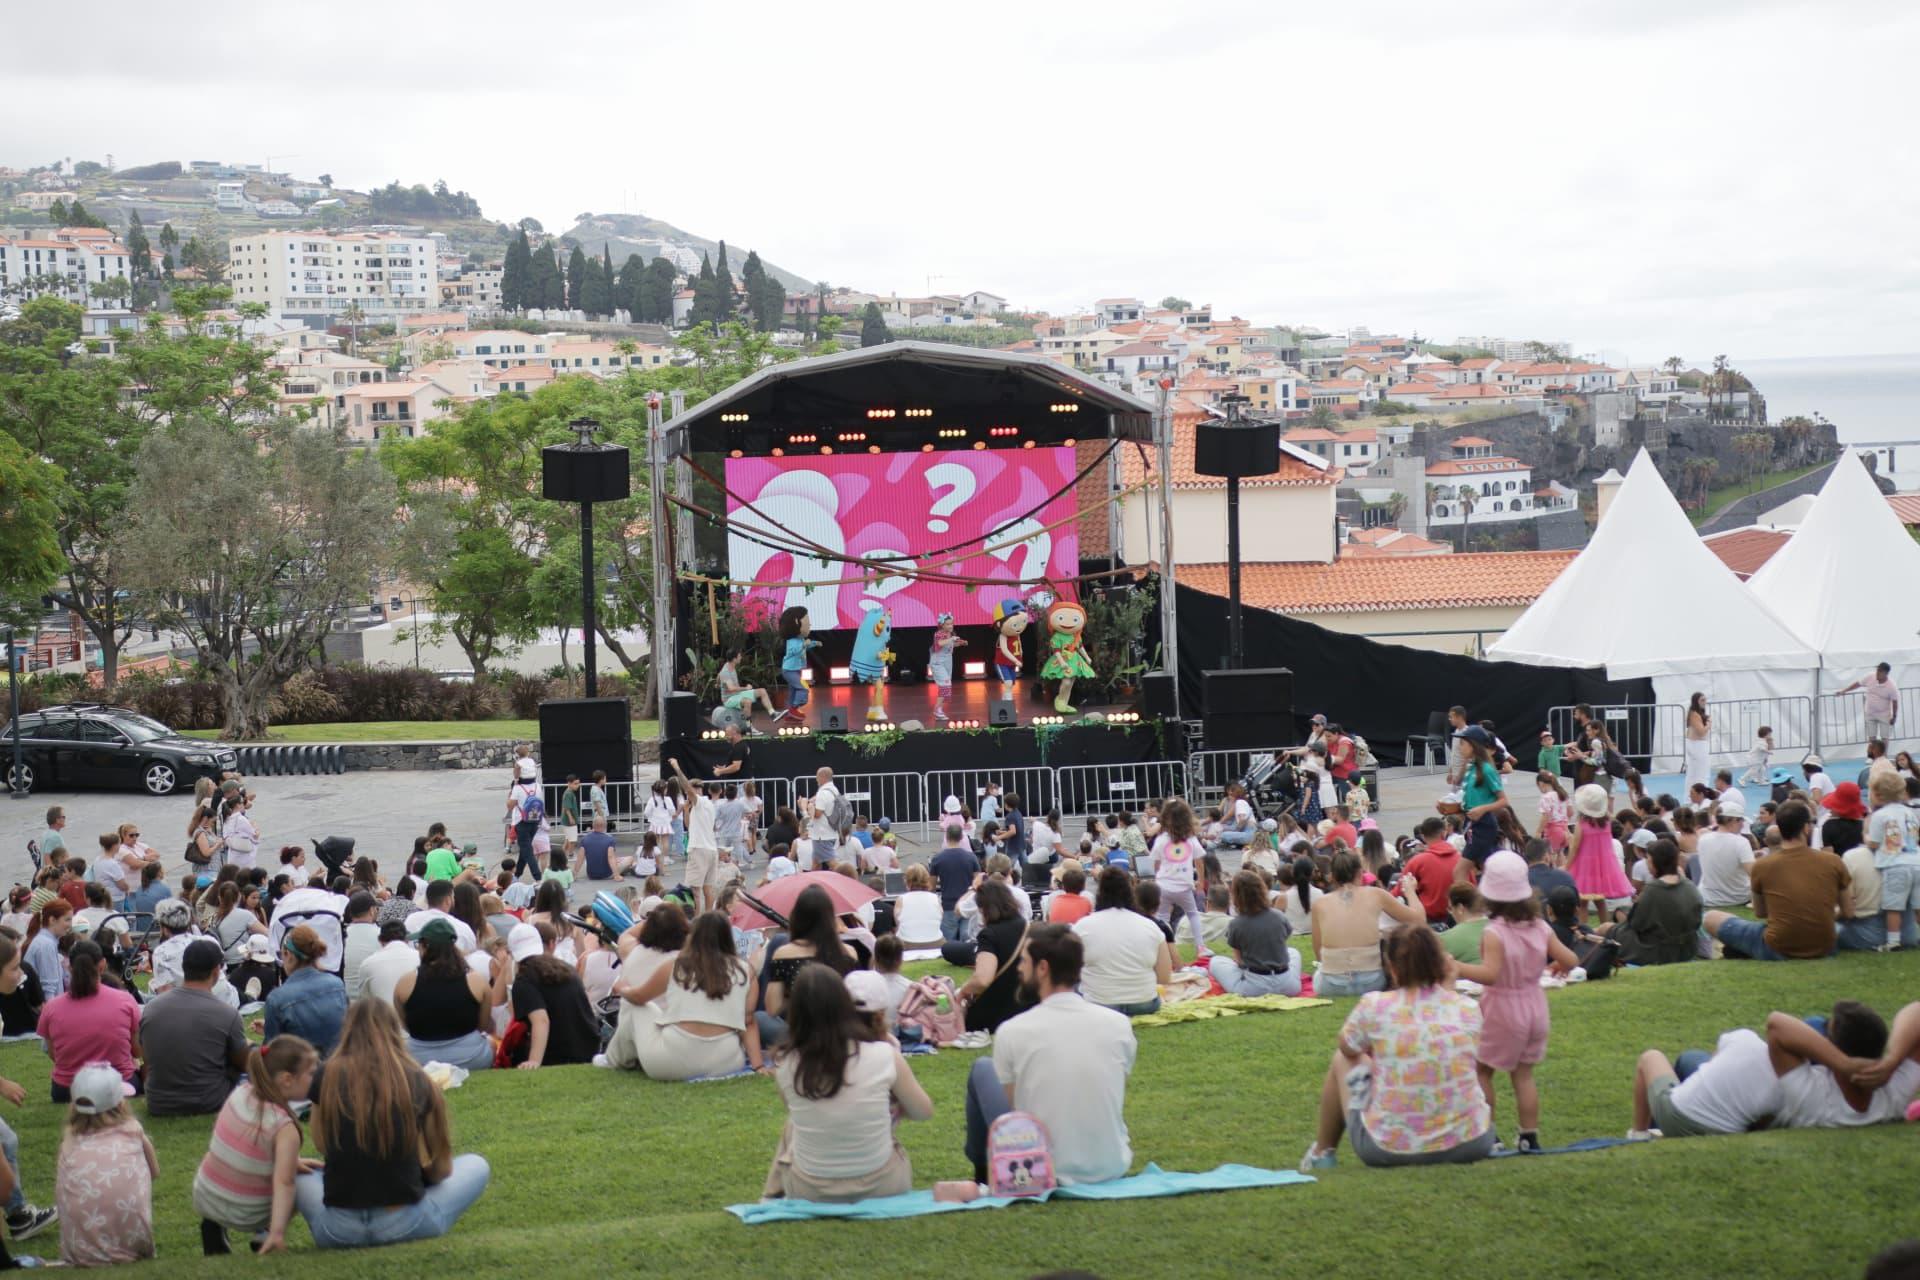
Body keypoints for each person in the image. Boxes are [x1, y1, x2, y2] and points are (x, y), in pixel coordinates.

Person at [295, 999, 491, 1249]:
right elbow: (442, 1168)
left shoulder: (327, 1075)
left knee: (299, 1174)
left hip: (338, 1229)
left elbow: (323, 1144)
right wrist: (418, 1177)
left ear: (347, 1030)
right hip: (406, 1221)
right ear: (394, 1029)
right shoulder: (418, 1078)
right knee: (477, 1164)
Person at [1300, 925, 1495, 1171]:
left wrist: (1377, 1058)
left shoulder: (1375, 1005)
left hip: (1388, 1148)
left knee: (1342, 1059)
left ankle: (1322, 1151)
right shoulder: (1466, 1008)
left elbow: (1347, 1047)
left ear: (1391, 967)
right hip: (1471, 1142)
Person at [963, 925, 1135, 1185]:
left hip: (1038, 1168)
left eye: (1023, 961)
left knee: (982, 1068)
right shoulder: (1118, 1025)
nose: (1019, 968)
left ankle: (982, 1174)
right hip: (1110, 1164)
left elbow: (1014, 1113)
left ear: (1042, 968)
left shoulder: (1013, 1031)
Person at [764, 966, 933, 1201]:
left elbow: (796, 1112)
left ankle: (769, 1194)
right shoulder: (884, 1054)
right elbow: (923, 1111)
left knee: (794, 1123)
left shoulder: (786, 1066)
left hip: (810, 1190)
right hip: (884, 1185)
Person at [1450, 851, 1579, 1152]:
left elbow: (1491, 974)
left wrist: (1455, 967)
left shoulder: (1494, 932)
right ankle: (1528, 1136)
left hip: (1502, 1008)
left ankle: (1488, 1134)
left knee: (1482, 1071)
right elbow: (1571, 958)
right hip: (1535, 1006)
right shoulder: (1541, 927)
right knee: (1523, 1075)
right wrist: (1560, 966)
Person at [193, 1035, 320, 1256]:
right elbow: (284, 1182)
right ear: (287, 1080)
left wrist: (292, 1161)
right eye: (311, 1073)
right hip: (247, 1213)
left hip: (206, 1195)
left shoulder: (240, 1094)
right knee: (301, 1179)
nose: (317, 1077)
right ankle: (266, 1233)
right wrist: (278, 1233)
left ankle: (213, 1227)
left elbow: (251, 1148)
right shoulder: (284, 1126)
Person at [613, 911, 767, 1080]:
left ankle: (616, 1060)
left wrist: (622, 988)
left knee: (639, 1008)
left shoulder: (676, 965)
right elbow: (749, 1022)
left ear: (692, 936)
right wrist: (758, 1066)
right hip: (726, 1062)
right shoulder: (746, 971)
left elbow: (638, 998)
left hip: (671, 1060)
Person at [1705, 799, 1850, 961]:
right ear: (1806, 828)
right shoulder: (1833, 861)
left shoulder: (1763, 865)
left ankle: (1742, 948)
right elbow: (1848, 911)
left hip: (1777, 947)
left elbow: (1761, 913)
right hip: (1825, 946)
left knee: (1710, 917)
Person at [55, 1062, 156, 1267]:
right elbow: (154, 1171)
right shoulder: (133, 1130)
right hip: (133, 1246)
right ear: (120, 1104)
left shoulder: (69, 1141)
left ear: (74, 1104)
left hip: (78, 1252)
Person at [142, 939, 250, 1116]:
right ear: (216, 971)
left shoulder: (151, 1009)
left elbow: (148, 1060)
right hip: (210, 1101)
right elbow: (243, 1063)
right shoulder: (227, 1013)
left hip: (159, 1102)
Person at [1629, 1024, 1784, 1140]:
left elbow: (1712, 1065)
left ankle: (1639, 1134)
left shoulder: (1744, 1038)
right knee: (1692, 1058)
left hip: (1682, 1119)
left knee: (1651, 1057)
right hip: (1730, 1128)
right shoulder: (1789, 1089)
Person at [1308, 851, 1426, 997]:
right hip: (1371, 982)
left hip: (1331, 984)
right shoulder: (1376, 894)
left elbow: (1319, 954)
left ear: (1332, 876)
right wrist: (1410, 892)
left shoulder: (1320, 904)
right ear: (1360, 873)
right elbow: (1419, 920)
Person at [39, 939, 141, 1103]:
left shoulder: (51, 1007)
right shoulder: (125, 1000)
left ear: (69, 967)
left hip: (66, 1089)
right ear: (102, 965)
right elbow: (137, 1049)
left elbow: (54, 1054)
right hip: (118, 1082)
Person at [392, 919, 498, 1072]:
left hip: (419, 1060)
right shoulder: (476, 981)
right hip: (470, 1057)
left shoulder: (405, 983)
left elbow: (406, 1025)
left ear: (424, 946)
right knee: (491, 1043)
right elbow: (482, 1025)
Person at [1072, 868, 1172, 1016]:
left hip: (1098, 1003)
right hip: (1144, 1003)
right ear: (1131, 892)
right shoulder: (1151, 927)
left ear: (1099, 892)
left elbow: (1070, 972)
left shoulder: (1082, 926)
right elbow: (1164, 977)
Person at [503, 922, 599, 1069]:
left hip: (559, 1053)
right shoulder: (565, 968)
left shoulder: (524, 980)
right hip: (588, 1046)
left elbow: (541, 1021)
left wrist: (534, 1061)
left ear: (512, 953)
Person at [1210, 870, 1303, 996]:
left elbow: (1239, 961)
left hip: (1255, 988)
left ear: (1236, 895)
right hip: (1288, 986)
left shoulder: (1236, 924)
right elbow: (1282, 943)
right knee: (1293, 952)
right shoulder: (1278, 916)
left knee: (1215, 962)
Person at [957, 881, 1032, 1034]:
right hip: (1026, 1006)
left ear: (984, 909)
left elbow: (982, 979)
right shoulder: (1028, 926)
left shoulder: (990, 934)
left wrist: (963, 991)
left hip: (998, 1010)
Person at [263, 925, 347, 1057]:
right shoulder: (337, 985)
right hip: (337, 1069)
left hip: (303, 1073)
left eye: (281, 954)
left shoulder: (278, 999)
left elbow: (272, 1054)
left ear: (288, 955)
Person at [1865, 769, 1920, 952]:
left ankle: (1893, 941)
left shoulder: (1879, 816)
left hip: (1895, 864)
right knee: (1918, 903)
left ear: (1878, 795)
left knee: (1893, 906)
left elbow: (1874, 843)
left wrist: (1865, 838)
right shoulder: (1909, 812)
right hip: (1916, 860)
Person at [1150, 798, 1212, 959]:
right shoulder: (1191, 840)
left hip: (1163, 884)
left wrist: (1157, 877)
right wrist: (1200, 881)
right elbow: (1199, 861)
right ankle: (1200, 947)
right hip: (1184, 885)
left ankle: (1162, 948)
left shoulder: (1161, 839)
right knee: (1193, 914)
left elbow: (1156, 863)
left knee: (1162, 917)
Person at [1567, 782, 1633, 916]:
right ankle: (1606, 928)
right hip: (1603, 867)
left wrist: (1567, 866)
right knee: (1600, 902)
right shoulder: (1607, 822)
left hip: (1584, 867)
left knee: (1582, 902)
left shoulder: (1582, 824)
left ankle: (1584, 931)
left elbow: (1575, 847)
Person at [1696, 800, 1758, 908]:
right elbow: (1754, 874)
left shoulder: (1703, 839)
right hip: (1738, 897)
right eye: (1740, 820)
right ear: (1731, 820)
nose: (1742, 824)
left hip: (1708, 898)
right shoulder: (1741, 842)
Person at [1402, 817, 1462, 923]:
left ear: (1423, 837)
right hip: (1459, 918)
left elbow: (1400, 889)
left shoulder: (1417, 862)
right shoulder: (1461, 860)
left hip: (1428, 921)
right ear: (1443, 834)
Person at [928, 825, 981, 944]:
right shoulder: (971, 857)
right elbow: (978, 882)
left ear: (946, 837)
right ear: (962, 837)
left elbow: (931, 887)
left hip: (948, 905)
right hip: (968, 904)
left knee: (947, 942)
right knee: (967, 940)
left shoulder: (937, 858)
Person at [1840, 662, 1900, 744]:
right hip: (1870, 713)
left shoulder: (1892, 686)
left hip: (1884, 715)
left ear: (1886, 673)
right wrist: (1844, 691)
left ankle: (1883, 756)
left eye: (1880, 671)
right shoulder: (1870, 676)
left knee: (1884, 738)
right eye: (1877, 670)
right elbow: (1858, 684)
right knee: (1871, 738)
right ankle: (1872, 756)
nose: (1877, 673)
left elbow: (1895, 702)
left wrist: (1894, 717)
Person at [26, 899, 71, 999]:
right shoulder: (46, 945)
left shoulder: (46, 942)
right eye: (67, 920)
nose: (70, 925)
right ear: (52, 920)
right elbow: (48, 989)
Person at [893, 864, 944, 949]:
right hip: (936, 941)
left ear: (906, 880)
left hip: (907, 943)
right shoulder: (935, 898)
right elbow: (940, 918)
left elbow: (898, 922)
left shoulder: (901, 899)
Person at [1683, 691, 1712, 790]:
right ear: (1696, 701)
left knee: (1693, 773)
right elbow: (1701, 732)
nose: (1704, 702)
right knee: (1701, 773)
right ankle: (1701, 793)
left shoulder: (1695, 714)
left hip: (1696, 744)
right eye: (1702, 700)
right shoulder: (1694, 714)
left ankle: (1691, 795)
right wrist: (1708, 724)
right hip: (1698, 745)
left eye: (1705, 700)